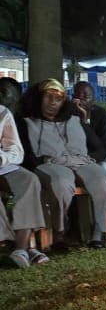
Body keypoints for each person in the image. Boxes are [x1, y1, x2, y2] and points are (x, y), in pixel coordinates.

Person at [18, 79, 106, 251]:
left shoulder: (74, 120)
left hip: (81, 162)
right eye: (48, 97)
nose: (53, 102)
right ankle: (59, 234)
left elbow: (100, 149)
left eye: (58, 98)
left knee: (104, 183)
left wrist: (87, 159)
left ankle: (98, 234)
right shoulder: (28, 123)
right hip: (50, 164)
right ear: (38, 98)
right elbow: (26, 155)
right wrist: (45, 161)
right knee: (61, 184)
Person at [0, 100, 50, 267]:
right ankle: (17, 246)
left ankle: (20, 249)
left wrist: (2, 158)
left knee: (29, 180)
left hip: (2, 165)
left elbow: (15, 149)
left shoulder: (2, 112)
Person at [71, 81, 106, 166]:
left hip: (94, 159)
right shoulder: (67, 114)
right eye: (77, 96)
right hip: (69, 159)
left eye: (86, 97)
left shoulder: (101, 115)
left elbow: (104, 149)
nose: (80, 100)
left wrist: (84, 122)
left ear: (93, 100)